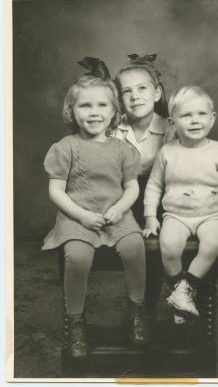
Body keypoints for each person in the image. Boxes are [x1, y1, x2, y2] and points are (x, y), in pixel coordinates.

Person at [42, 66, 150, 359]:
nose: (94, 112)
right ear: (72, 110)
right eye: (85, 105)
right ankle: (75, 320)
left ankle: (136, 310)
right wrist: (82, 216)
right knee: (77, 257)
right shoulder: (66, 148)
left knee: (135, 246)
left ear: (114, 111)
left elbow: (131, 189)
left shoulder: (123, 150)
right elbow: (56, 191)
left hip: (115, 215)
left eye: (102, 105)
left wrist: (118, 209)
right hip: (78, 217)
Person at [143, 85, 218, 322]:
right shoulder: (167, 152)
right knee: (168, 246)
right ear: (172, 122)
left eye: (201, 114)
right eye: (186, 115)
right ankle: (180, 294)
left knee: (212, 243)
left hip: (211, 215)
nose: (194, 121)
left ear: (212, 118)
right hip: (176, 216)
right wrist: (150, 216)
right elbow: (154, 186)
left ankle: (184, 290)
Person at [113, 53, 175, 227]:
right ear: (119, 100)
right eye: (127, 91)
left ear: (156, 93)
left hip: (162, 195)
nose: (135, 96)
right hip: (124, 194)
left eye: (142, 88)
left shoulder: (170, 129)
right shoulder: (114, 131)